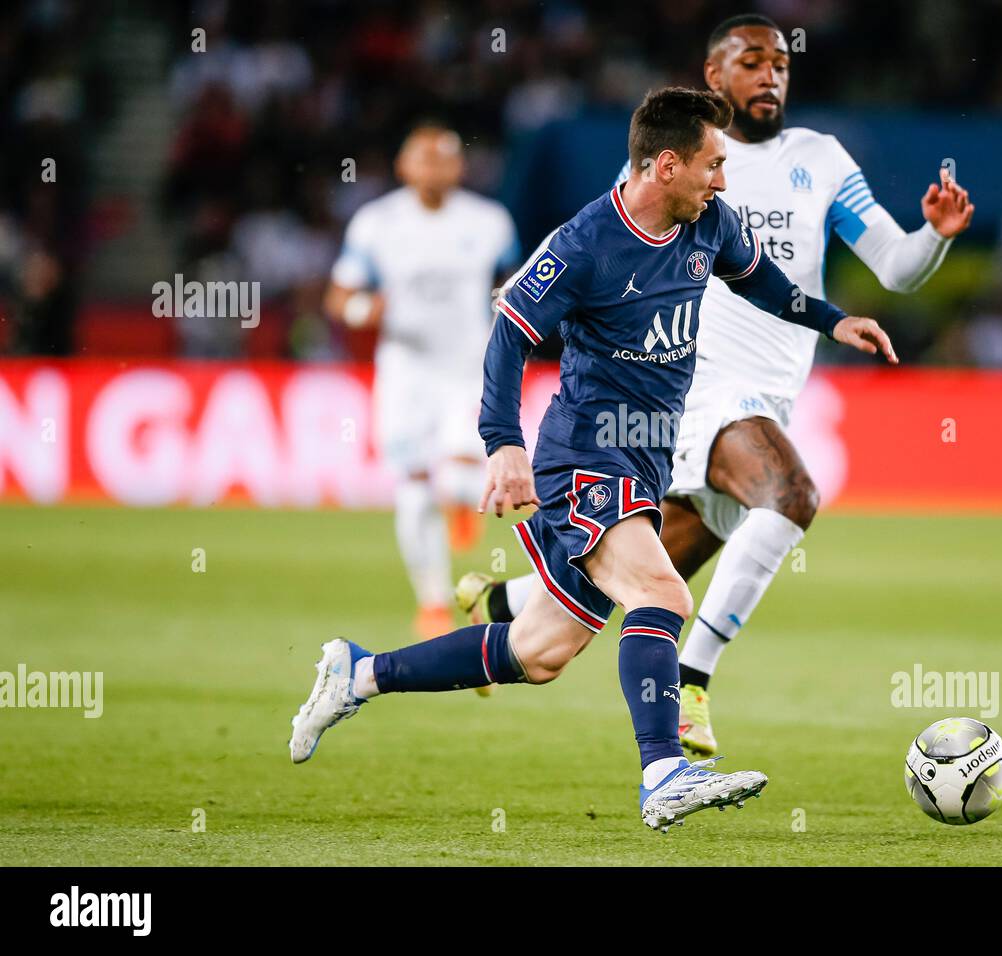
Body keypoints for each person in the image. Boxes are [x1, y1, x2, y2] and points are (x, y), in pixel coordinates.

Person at [290, 87, 896, 832]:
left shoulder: (709, 223)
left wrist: (837, 322)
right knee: (665, 597)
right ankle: (663, 773)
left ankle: (358, 672)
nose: (724, 180)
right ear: (666, 165)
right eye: (713, 165)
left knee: (541, 651)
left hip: (644, 462)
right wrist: (502, 445)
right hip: (586, 453)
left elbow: (763, 282)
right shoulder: (583, 245)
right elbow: (509, 335)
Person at [457, 14, 974, 751]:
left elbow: (894, 264)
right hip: (697, 379)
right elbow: (600, 229)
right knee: (792, 497)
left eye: (782, 65)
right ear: (713, 75)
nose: (771, 74)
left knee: (658, 564)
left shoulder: (822, 159)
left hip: (771, 390)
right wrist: (524, 288)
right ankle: (691, 685)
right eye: (753, 60)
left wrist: (933, 238)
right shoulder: (678, 160)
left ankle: (506, 603)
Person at [324, 123, 520, 643]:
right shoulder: (376, 222)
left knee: (458, 476)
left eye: (445, 160)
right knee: (412, 486)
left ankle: (460, 503)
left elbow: (516, 280)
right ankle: (432, 601)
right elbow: (339, 298)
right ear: (403, 167)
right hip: (406, 374)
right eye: (423, 160)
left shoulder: (490, 221)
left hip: (469, 369)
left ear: (460, 168)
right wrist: (369, 307)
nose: (434, 170)